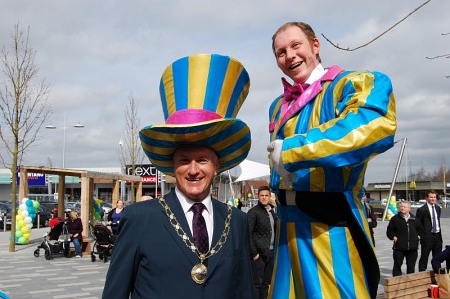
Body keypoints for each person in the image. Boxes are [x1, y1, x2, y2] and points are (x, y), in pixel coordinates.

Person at [103, 54, 254, 299]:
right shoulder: (139, 218)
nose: (193, 169)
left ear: (216, 167)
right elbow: (115, 292)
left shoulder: (237, 220)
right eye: (184, 160)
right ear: (173, 167)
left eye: (202, 160)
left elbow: (244, 290)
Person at [267, 22, 397, 298]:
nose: (289, 55)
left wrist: (292, 151)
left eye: (295, 45)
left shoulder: (354, 83)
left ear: (316, 45)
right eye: (280, 52)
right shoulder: (277, 106)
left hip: (329, 228)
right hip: (285, 232)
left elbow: (373, 127)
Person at [248, 185, 277, 299]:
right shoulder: (253, 212)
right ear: (258, 196)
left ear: (269, 196)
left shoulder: (271, 211)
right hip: (258, 255)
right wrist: (254, 254)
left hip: (270, 252)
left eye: (266, 195)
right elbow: (248, 234)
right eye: (262, 196)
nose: (264, 198)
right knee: (257, 284)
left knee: (266, 283)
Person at [386, 201, 420, 276]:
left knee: (411, 267)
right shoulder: (395, 219)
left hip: (412, 248)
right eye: (401, 206)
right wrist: (393, 237)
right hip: (399, 247)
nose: (402, 208)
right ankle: (396, 283)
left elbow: (421, 230)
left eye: (404, 207)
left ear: (409, 209)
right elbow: (389, 231)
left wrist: (418, 236)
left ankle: (409, 284)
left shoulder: (415, 219)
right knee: (397, 266)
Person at [416, 190, 443, 271]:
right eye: (431, 197)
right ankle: (421, 273)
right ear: (427, 198)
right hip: (427, 237)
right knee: (424, 257)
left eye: (434, 197)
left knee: (438, 258)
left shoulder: (438, 208)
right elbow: (418, 224)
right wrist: (422, 236)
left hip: (437, 236)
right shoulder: (421, 210)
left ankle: (437, 275)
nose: (433, 199)